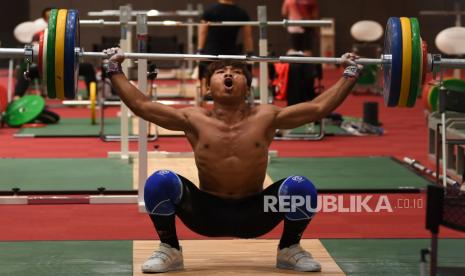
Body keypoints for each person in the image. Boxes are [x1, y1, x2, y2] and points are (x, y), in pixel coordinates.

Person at [103, 47, 363, 273]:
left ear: (248, 87)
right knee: (159, 182)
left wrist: (350, 74)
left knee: (300, 187)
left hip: (255, 213)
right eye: (220, 72)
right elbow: (143, 106)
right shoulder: (193, 119)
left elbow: (318, 108)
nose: (228, 74)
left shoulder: (267, 116)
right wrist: (114, 69)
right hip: (205, 213)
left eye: (237, 72)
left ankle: (289, 248)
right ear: (207, 87)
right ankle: (169, 248)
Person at [197, 0, 254, 98]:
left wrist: (200, 51)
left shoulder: (209, 11)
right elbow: (247, 37)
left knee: (204, 72)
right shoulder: (241, 13)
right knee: (237, 70)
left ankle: (204, 94)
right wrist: (250, 54)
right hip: (232, 53)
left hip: (211, 53)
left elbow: (202, 32)